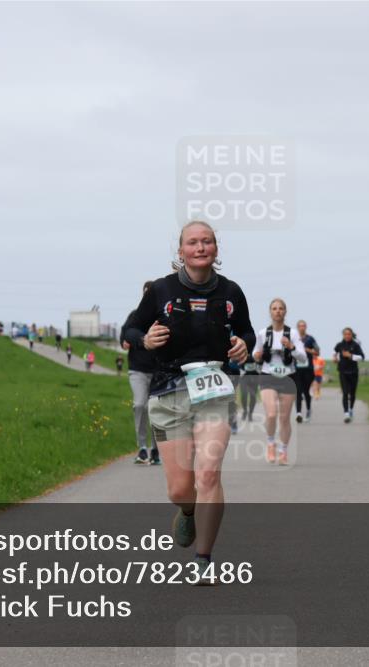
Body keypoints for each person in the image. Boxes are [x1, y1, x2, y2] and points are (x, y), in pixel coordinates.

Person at [124, 220, 254, 577]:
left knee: (209, 474)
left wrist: (245, 344)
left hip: (213, 391)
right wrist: (145, 340)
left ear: (216, 249)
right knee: (181, 489)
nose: (200, 248)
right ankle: (187, 511)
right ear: (180, 251)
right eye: (193, 242)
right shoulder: (161, 291)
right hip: (168, 392)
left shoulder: (231, 292)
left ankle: (204, 561)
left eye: (207, 241)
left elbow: (246, 330)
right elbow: (131, 328)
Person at [253, 299, 307, 465]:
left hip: (288, 376)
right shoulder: (263, 333)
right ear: (270, 312)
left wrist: (291, 346)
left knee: (284, 418)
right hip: (268, 375)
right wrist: (257, 355)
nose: (278, 311)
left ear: (285, 311)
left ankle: (283, 451)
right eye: (274, 308)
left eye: (281, 308)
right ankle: (271, 443)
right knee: (271, 414)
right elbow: (255, 351)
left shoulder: (293, 334)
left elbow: (303, 357)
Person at [122, 283, 161, 466]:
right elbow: (125, 333)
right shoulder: (135, 316)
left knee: (155, 410)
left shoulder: (162, 317)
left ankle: (156, 450)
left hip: (158, 371)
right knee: (139, 405)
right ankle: (142, 448)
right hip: (137, 369)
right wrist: (126, 342)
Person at [333, 327, 365, 423]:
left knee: (352, 394)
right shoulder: (339, 345)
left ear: (351, 335)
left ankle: (351, 409)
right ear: (343, 335)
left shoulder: (355, 345)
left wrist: (350, 356)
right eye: (345, 334)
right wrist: (335, 358)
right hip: (343, 372)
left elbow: (362, 357)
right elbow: (335, 353)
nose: (347, 336)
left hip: (353, 372)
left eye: (349, 334)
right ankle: (346, 413)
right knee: (345, 393)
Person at [293, 320, 319, 423]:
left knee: (306, 391)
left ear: (306, 327)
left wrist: (308, 350)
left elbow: (317, 352)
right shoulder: (294, 339)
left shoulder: (310, 339)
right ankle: (298, 413)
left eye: (303, 326)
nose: (302, 328)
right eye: (300, 326)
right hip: (297, 369)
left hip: (308, 369)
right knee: (298, 391)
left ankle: (308, 409)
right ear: (297, 327)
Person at [239, 351, 260, 422]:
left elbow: (261, 361)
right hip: (244, 376)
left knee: (253, 396)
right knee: (244, 394)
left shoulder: (257, 348)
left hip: (255, 376)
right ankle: (245, 410)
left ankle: (250, 413)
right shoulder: (242, 348)